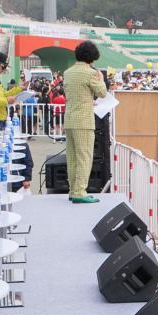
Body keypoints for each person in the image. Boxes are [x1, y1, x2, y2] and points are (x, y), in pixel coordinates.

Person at [63, 40, 108, 203]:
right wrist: (101, 78)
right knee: (84, 157)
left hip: (69, 119)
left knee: (72, 157)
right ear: (92, 58)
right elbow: (102, 93)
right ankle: (80, 191)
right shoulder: (91, 73)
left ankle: (72, 189)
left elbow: (78, 94)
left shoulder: (67, 72)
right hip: (84, 121)